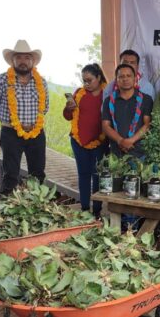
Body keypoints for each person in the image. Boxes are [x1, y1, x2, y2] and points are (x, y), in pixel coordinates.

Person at [0, 40, 49, 195]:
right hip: (11, 133)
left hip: (36, 133)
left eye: (27, 58)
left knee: (37, 173)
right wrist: (10, 122)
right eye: (19, 58)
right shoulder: (2, 80)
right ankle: (7, 212)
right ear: (13, 61)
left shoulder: (41, 81)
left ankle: (35, 207)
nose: (23, 62)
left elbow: (45, 107)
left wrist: (32, 124)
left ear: (33, 61)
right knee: (11, 173)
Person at [64, 63, 108, 217]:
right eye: (84, 81)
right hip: (78, 141)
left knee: (97, 176)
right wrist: (68, 108)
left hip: (100, 143)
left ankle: (96, 211)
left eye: (90, 80)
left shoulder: (107, 94)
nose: (86, 84)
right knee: (83, 175)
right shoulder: (78, 93)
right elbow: (68, 117)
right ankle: (84, 209)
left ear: (99, 78)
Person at [101, 63, 153, 159]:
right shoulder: (109, 101)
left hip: (140, 154)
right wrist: (121, 141)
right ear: (116, 80)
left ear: (135, 79)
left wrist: (130, 141)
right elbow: (105, 126)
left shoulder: (146, 99)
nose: (125, 79)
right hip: (116, 154)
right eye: (121, 76)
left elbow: (147, 124)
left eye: (129, 76)